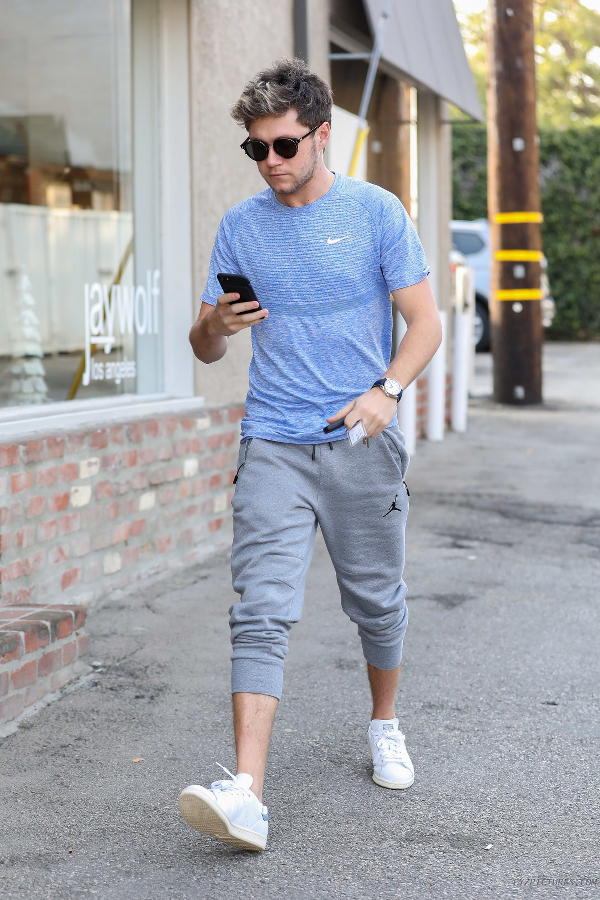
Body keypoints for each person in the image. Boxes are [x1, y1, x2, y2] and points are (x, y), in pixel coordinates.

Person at [179, 58, 442, 852]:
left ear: (322, 135)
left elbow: (425, 323)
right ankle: (247, 794)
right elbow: (204, 346)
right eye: (256, 149)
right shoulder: (241, 226)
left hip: (361, 441)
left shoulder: (376, 212)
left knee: (377, 603)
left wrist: (386, 391)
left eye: (284, 145)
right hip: (273, 444)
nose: (270, 162)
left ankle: (384, 722)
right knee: (259, 609)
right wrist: (215, 327)